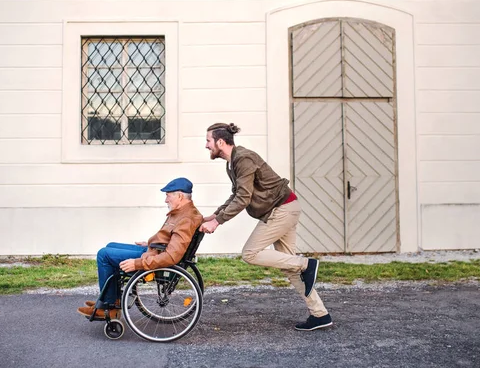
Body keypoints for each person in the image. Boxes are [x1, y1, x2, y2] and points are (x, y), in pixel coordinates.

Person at [200, 123, 332, 331]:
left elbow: (243, 198)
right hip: (282, 208)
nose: (206, 146)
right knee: (289, 268)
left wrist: (217, 222)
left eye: (208, 141)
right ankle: (320, 314)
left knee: (250, 253)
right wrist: (214, 215)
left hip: (282, 209)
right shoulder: (233, 162)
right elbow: (237, 194)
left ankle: (306, 264)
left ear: (220, 142)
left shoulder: (243, 159)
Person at [77, 177, 203, 319]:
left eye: (168, 195)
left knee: (104, 255)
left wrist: (137, 263)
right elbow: (171, 240)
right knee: (110, 246)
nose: (166, 200)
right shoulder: (183, 212)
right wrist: (150, 243)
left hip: (155, 257)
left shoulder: (185, 218)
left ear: (180, 196)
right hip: (153, 251)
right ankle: (112, 299)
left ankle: (109, 307)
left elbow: (172, 256)